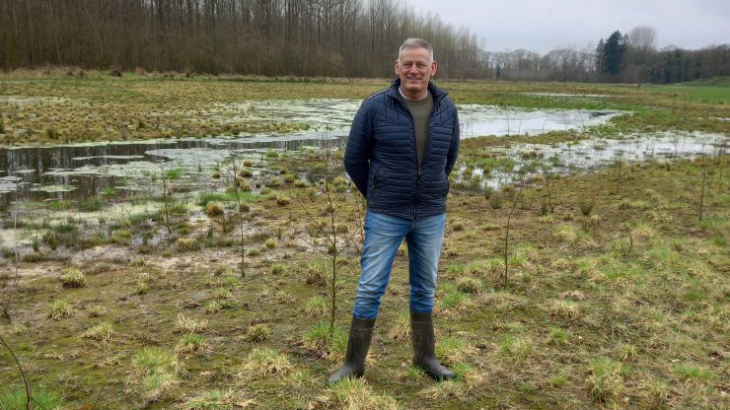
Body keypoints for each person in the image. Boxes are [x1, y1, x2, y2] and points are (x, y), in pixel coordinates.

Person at [328, 38, 460, 384]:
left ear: (433, 69)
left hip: (431, 213)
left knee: (424, 287)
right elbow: (354, 160)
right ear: (397, 67)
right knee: (371, 287)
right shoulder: (374, 107)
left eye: (420, 64)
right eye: (407, 64)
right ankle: (353, 364)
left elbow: (449, 158)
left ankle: (425, 357)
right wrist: (378, 194)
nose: (413, 70)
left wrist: (431, 188)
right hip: (386, 212)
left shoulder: (448, 109)